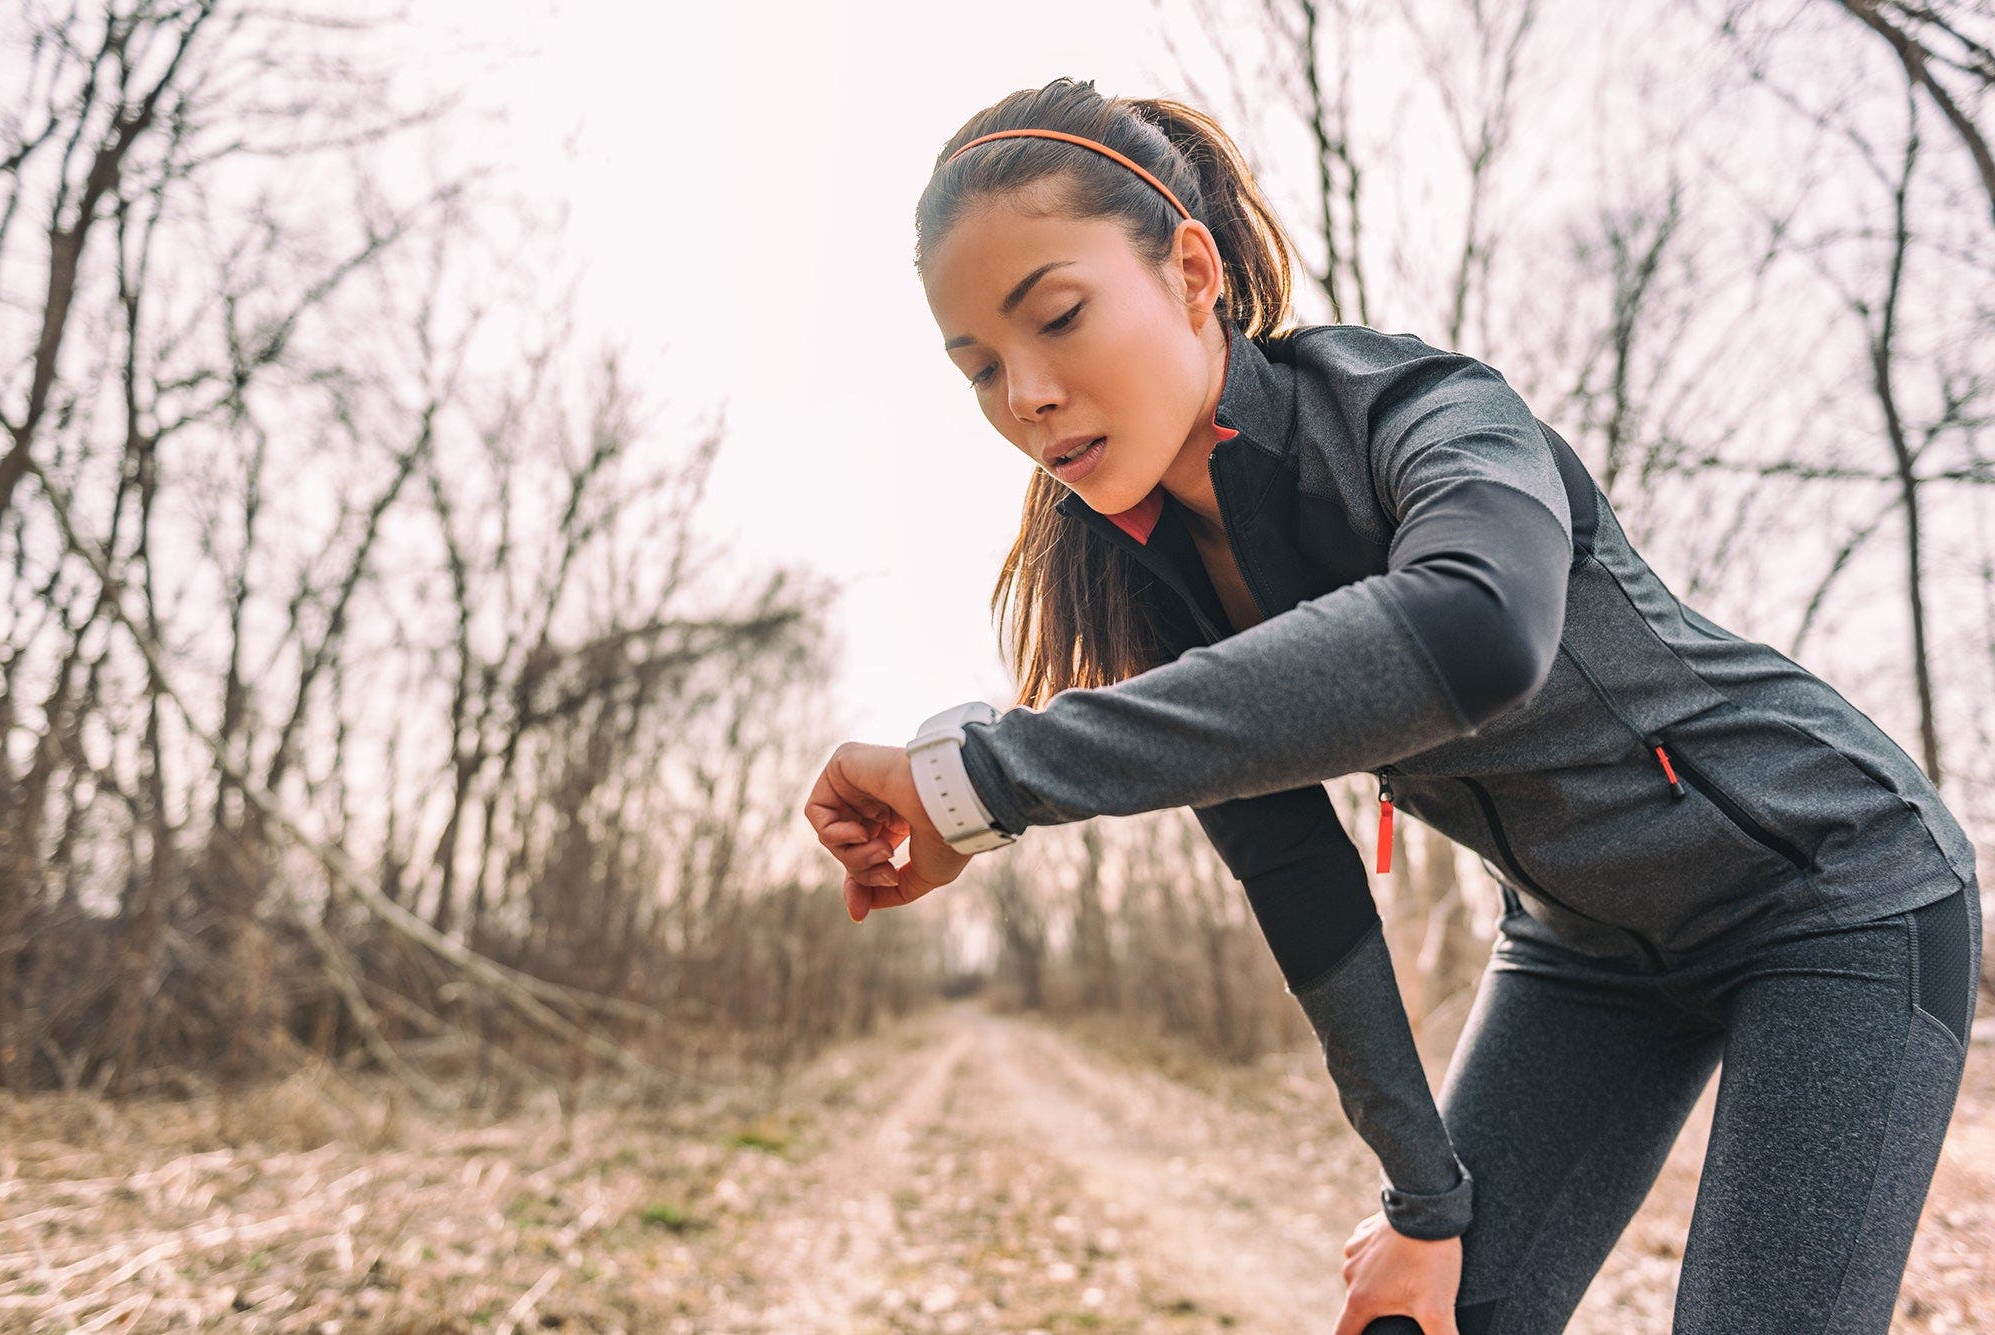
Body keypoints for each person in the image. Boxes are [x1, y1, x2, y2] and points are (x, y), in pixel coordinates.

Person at [801, 76, 1982, 1335]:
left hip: (1832, 890)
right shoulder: (1153, 579)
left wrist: (981, 781)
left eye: (1061, 318)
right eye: (978, 367)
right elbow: (1299, 883)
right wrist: (1422, 1204)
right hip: (1581, 952)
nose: (1023, 396)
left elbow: (1475, 635)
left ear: (1192, 271)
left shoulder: (1415, 413)